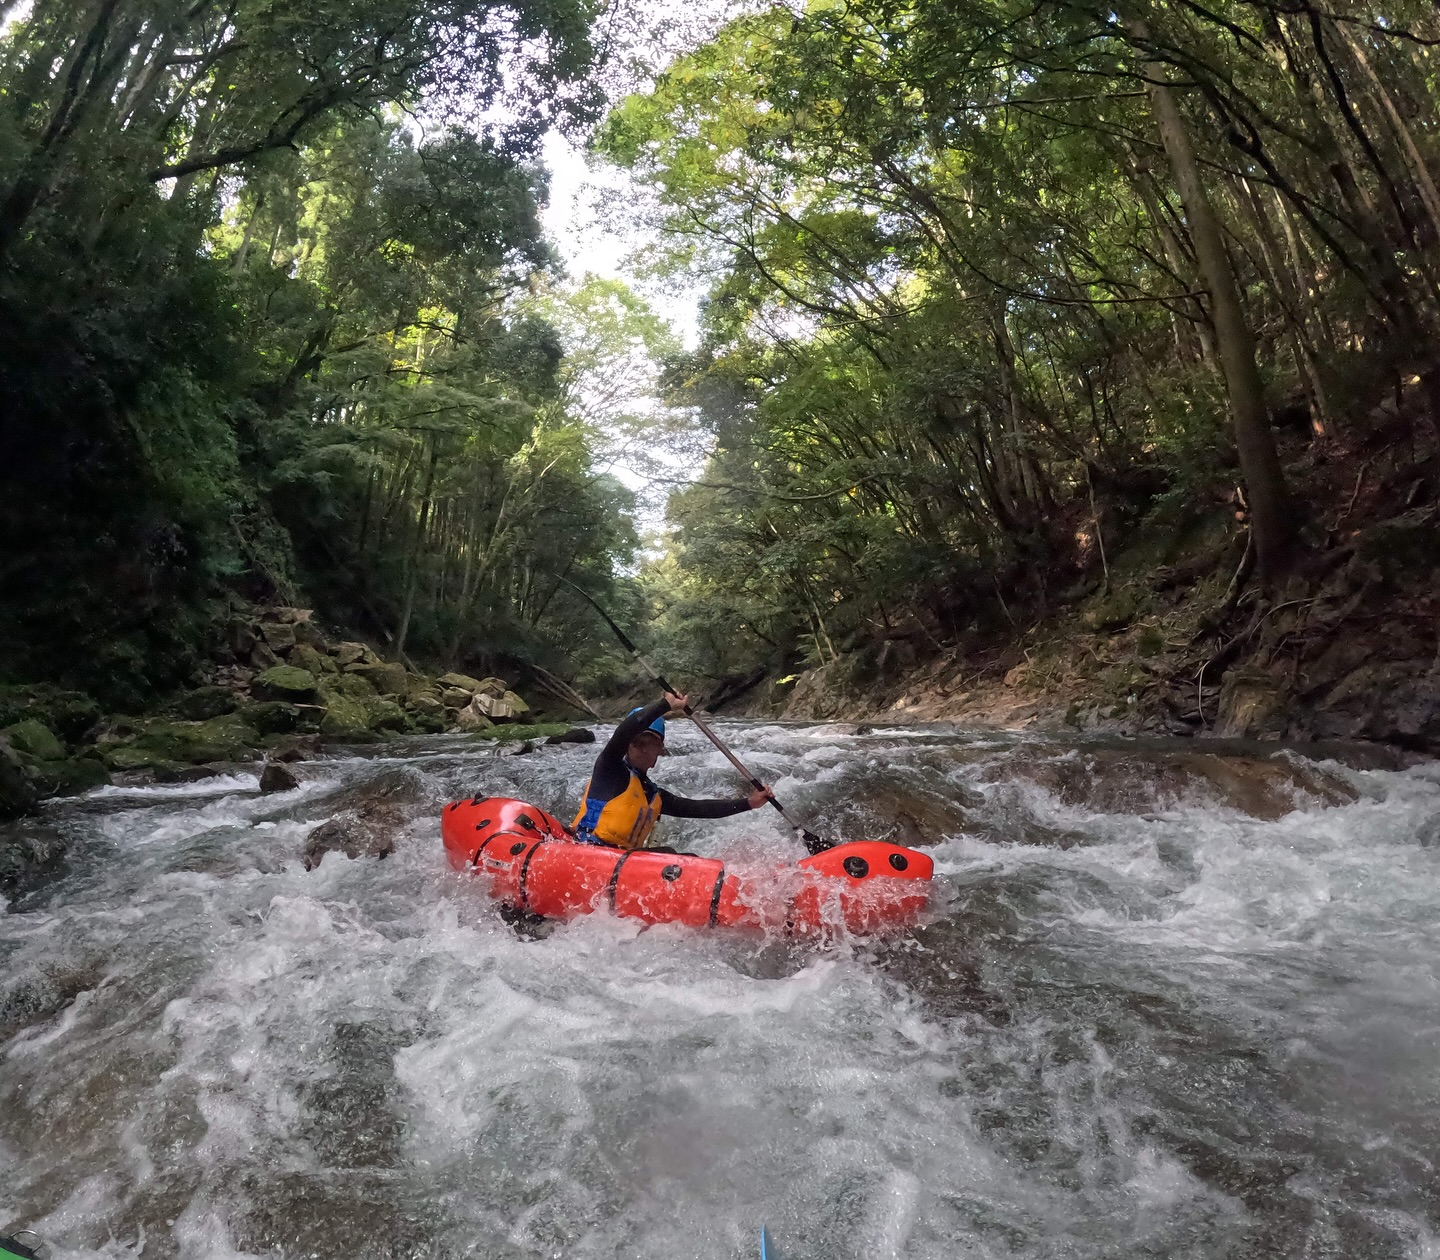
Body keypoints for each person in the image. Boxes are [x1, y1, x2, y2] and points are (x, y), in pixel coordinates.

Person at [572, 691, 774, 850]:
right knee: (669, 855)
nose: (643, 748)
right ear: (632, 744)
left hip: (620, 862)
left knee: (677, 857)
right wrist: (665, 705)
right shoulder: (610, 767)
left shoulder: (652, 794)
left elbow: (699, 809)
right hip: (587, 851)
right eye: (638, 742)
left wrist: (749, 803)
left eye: (650, 743)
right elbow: (625, 730)